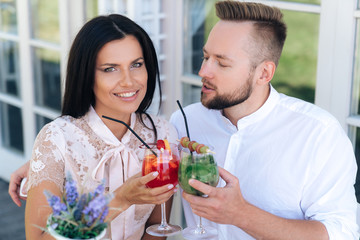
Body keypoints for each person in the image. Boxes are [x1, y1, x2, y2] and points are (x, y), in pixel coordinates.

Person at [170, 1, 358, 240]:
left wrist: (241, 214)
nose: (204, 72)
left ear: (264, 73)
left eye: (222, 63)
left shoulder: (319, 134)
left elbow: (341, 233)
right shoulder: (185, 121)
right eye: (206, 56)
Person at [15, 14, 178, 240]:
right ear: (87, 75)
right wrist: (119, 200)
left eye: (136, 65)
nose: (129, 81)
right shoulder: (56, 139)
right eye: (110, 69)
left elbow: (157, 229)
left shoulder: (163, 133)